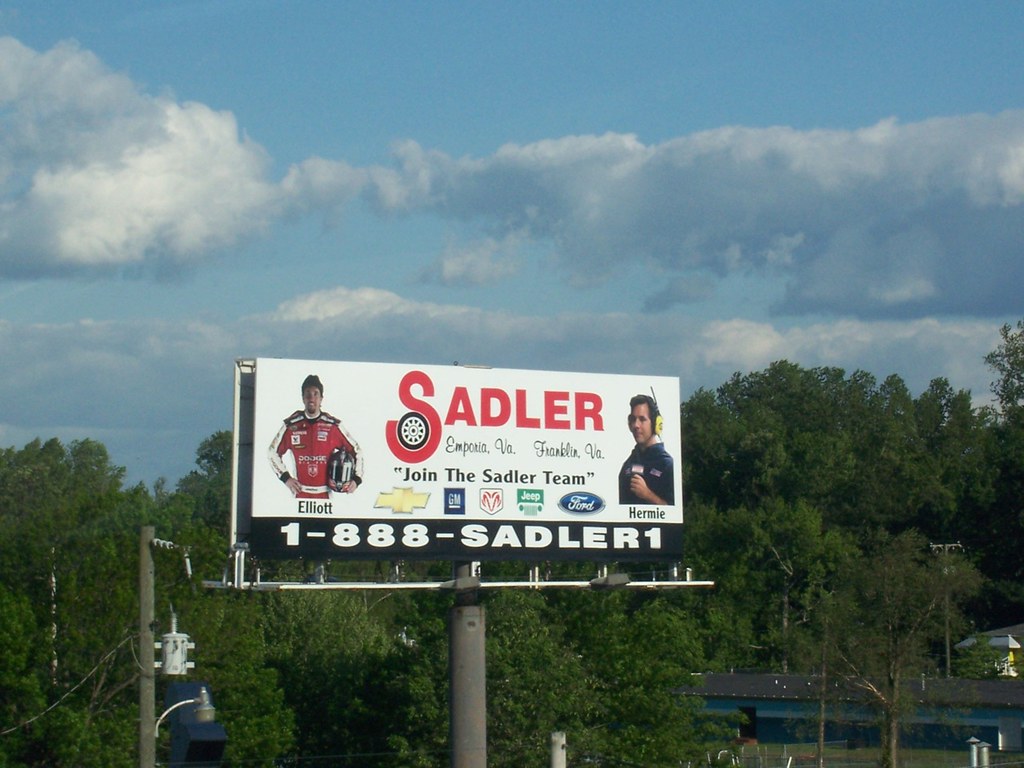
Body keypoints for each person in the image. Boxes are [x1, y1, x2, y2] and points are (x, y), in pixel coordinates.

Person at [269, 374, 363, 499]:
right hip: (300, 493)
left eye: (315, 393)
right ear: (303, 398)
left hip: (325, 493)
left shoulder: (332, 426)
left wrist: (356, 479)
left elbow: (356, 450)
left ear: (321, 398)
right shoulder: (291, 425)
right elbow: (272, 452)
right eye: (307, 393)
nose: (311, 398)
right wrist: (286, 478)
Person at [618, 393, 674, 505]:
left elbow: (675, 512)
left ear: (655, 424)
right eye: (633, 419)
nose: (636, 425)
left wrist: (647, 494)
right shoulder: (627, 465)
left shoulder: (667, 465)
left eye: (642, 419)